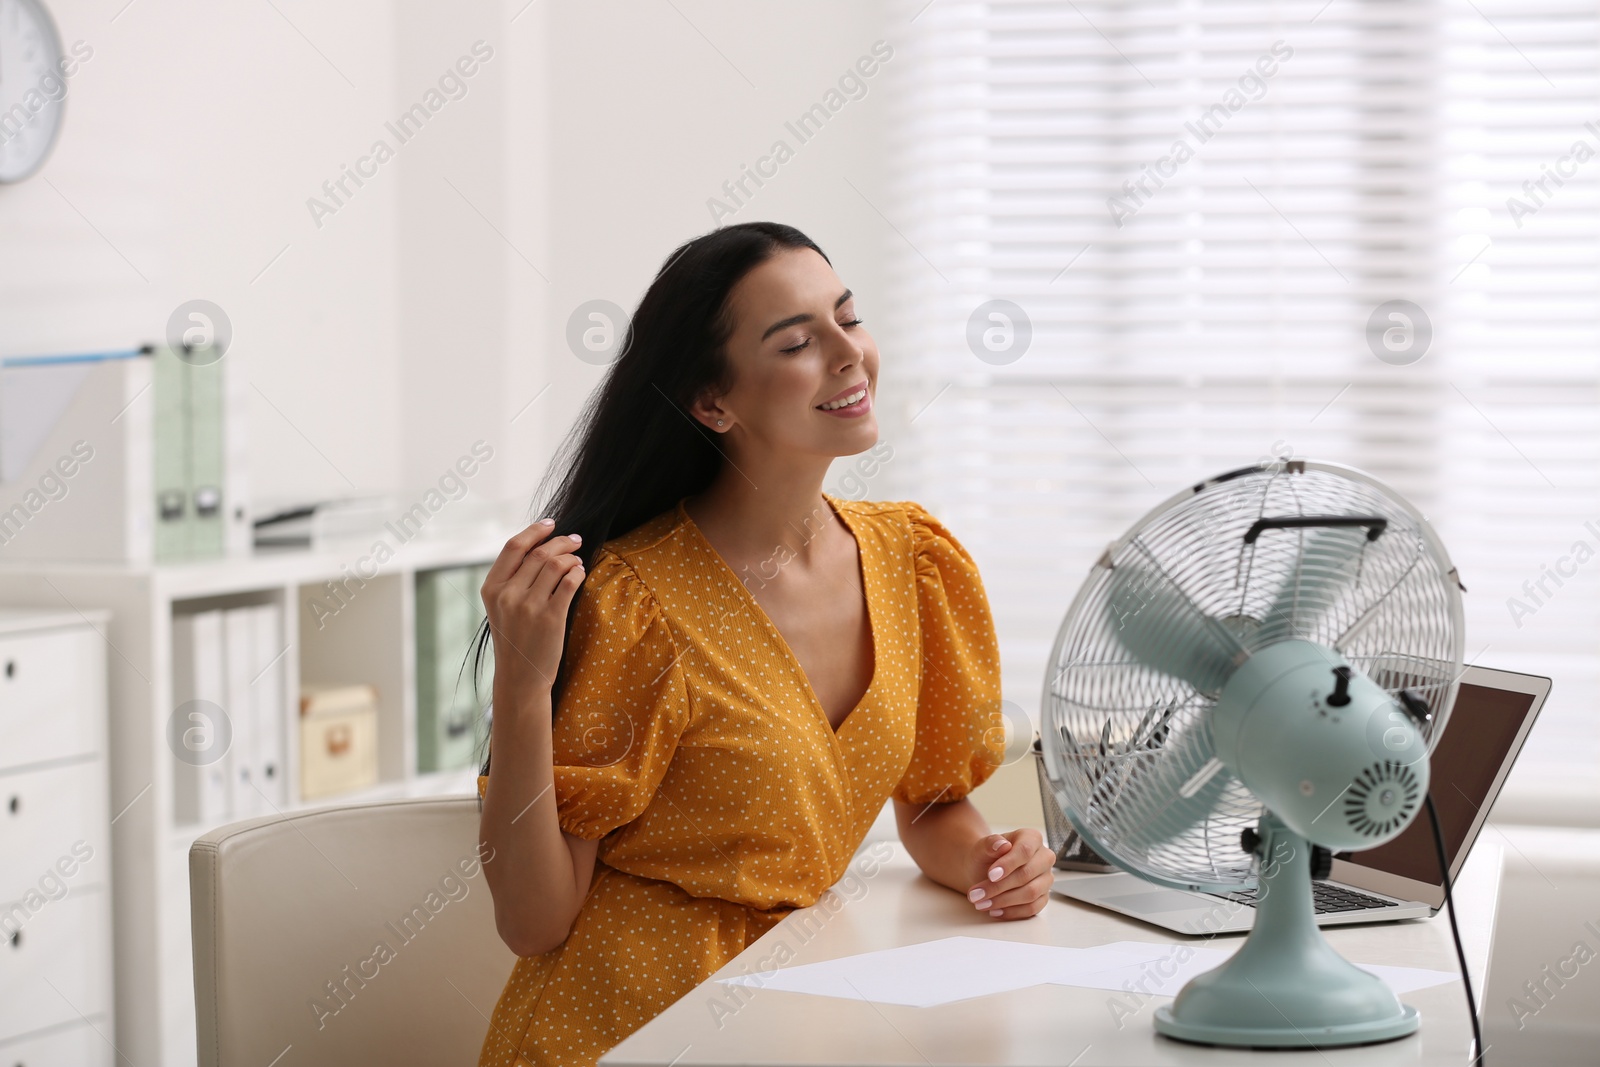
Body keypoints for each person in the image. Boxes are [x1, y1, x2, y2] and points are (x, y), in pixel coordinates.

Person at [471, 221, 1053, 1066]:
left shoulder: (915, 560)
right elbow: (533, 920)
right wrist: (522, 688)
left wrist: (990, 861)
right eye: (797, 342)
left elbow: (929, 803)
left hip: (803, 1009)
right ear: (714, 403)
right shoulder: (637, 601)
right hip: (622, 1028)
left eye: (847, 319)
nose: (847, 354)